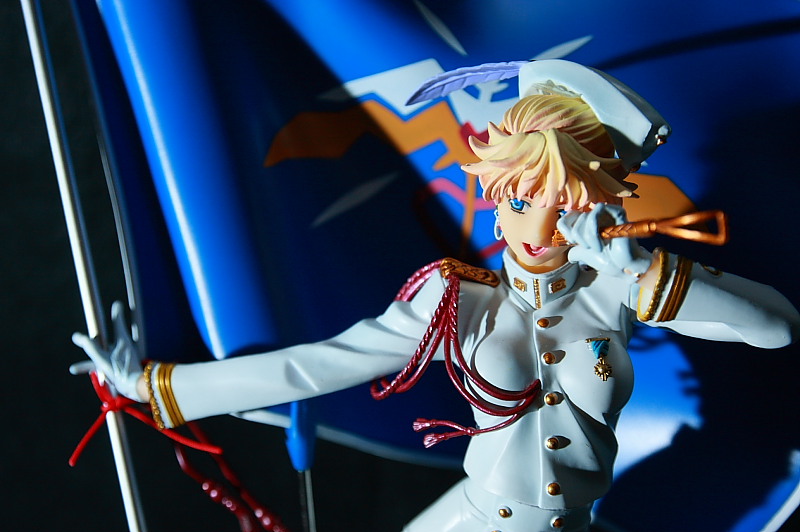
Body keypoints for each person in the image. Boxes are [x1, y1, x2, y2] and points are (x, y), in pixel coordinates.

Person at [73, 60, 800, 532]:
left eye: (562, 202)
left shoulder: (615, 292)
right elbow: (317, 366)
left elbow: (777, 327)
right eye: (519, 199)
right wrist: (154, 387)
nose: (536, 226)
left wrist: (638, 271)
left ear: (596, 205)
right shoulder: (460, 299)